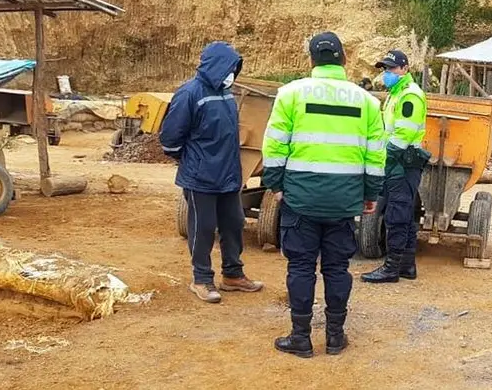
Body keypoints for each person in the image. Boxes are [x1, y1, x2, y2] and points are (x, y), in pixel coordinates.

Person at [262, 32, 385, 358]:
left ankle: (300, 337)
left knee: (301, 267)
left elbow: (274, 145)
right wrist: (371, 193)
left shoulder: (290, 94)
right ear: (344, 59)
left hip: (300, 199)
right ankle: (334, 337)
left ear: (311, 60)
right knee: (337, 268)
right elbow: (376, 154)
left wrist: (276, 185)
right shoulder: (367, 102)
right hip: (344, 201)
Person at [160, 42, 264, 304]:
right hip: (201, 178)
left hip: (228, 175)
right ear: (216, 66)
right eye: (229, 68)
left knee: (234, 223)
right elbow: (170, 139)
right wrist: (193, 160)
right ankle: (201, 279)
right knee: (203, 228)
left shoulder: (226, 94)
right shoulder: (189, 94)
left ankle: (233, 275)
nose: (231, 74)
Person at [361, 50, 430, 284]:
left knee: (396, 217)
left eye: (391, 68)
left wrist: (384, 160)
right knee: (404, 215)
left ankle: (391, 268)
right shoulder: (397, 93)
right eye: (385, 68)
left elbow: (402, 136)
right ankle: (406, 266)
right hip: (399, 163)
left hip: (402, 163)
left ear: (405, 69)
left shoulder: (410, 95)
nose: (387, 72)